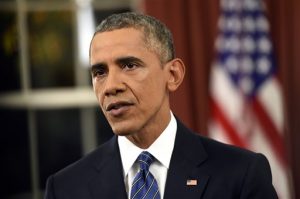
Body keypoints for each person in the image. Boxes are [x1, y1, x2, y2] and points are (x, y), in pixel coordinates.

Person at [44, 12, 278, 199]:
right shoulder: (64, 188)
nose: (110, 86)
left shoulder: (241, 174)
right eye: (99, 72)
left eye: (129, 65)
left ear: (173, 75)